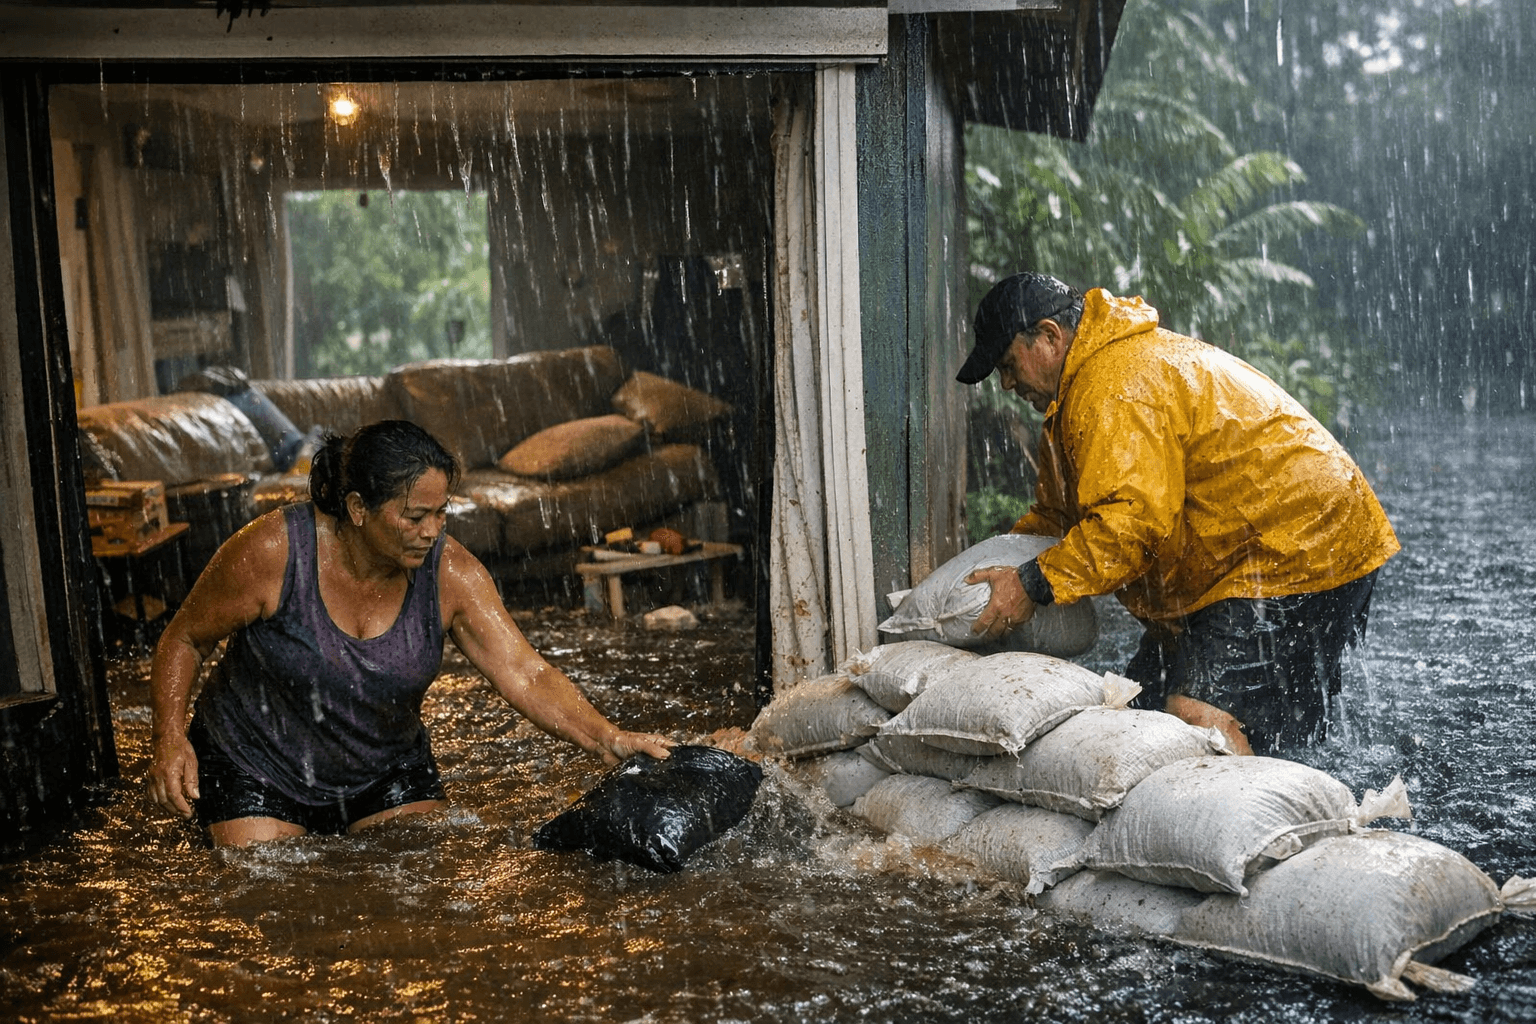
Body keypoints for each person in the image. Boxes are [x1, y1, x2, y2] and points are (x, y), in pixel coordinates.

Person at [148, 419, 675, 848]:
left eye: (442, 512)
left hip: (382, 766)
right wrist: (168, 738)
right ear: (357, 509)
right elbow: (184, 639)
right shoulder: (273, 552)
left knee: (423, 876)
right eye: (415, 516)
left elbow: (525, 672)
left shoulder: (452, 573)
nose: (433, 531)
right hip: (256, 764)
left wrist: (606, 736)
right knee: (272, 888)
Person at [956, 272, 1399, 755]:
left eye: (1008, 364)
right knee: (1139, 714)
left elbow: (1130, 526)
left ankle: (1251, 801)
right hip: (1252, 551)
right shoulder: (1083, 393)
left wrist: (1032, 583)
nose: (1006, 383)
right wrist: (1000, 568)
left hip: (1296, 546)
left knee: (1195, 717)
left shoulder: (1113, 387)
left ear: (1049, 336)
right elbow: (1059, 518)